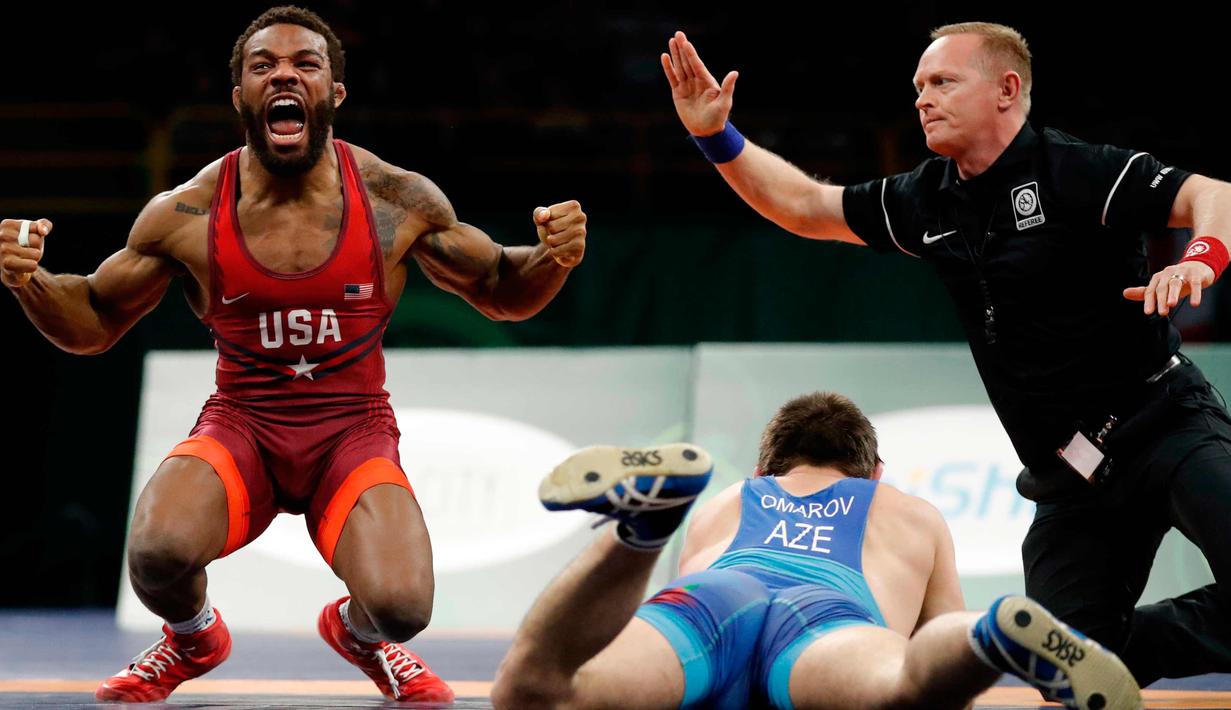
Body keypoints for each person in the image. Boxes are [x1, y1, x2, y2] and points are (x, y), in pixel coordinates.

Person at [0, 6, 587, 704]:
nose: (284, 73)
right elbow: (93, 323)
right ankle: (193, 637)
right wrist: (29, 281)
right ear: (241, 98)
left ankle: (360, 634)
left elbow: (499, 288)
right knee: (156, 553)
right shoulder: (185, 214)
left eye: (305, 63)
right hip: (242, 427)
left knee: (403, 607)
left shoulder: (395, 198)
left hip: (351, 433)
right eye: (263, 66)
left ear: (333, 93)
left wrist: (553, 258)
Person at [660, 23, 1231, 686]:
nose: (922, 99)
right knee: (1063, 663)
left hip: (1163, 422)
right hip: (1070, 474)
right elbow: (803, 206)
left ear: (1005, 90)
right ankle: (1106, 652)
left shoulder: (1077, 171)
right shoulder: (926, 199)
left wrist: (1200, 257)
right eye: (918, 87)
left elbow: (1210, 193)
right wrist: (714, 136)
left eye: (942, 82)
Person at [491, 392, 1142, 710]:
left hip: (714, 605)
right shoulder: (909, 513)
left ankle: (643, 529)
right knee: (904, 691)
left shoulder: (728, 503)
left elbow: (628, 623)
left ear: (765, 467)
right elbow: (931, 652)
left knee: (532, 690)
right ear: (874, 472)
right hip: (827, 622)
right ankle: (989, 638)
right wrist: (951, 666)